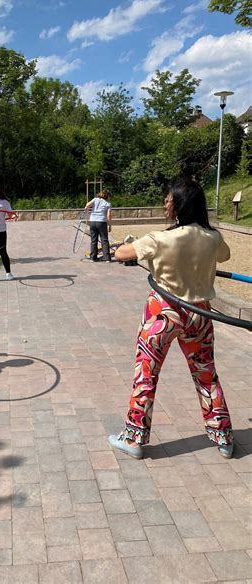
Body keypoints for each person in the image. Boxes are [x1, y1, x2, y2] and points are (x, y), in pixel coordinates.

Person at [108, 178, 234, 459]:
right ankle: (223, 437)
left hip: (162, 312)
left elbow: (121, 253)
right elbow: (224, 256)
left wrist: (134, 244)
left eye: (168, 199)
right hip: (199, 313)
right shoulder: (212, 237)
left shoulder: (160, 238)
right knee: (206, 374)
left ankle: (134, 438)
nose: (165, 203)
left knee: (146, 374)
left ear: (180, 204)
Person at [85, 190, 112, 262]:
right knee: (104, 240)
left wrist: (87, 208)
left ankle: (93, 257)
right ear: (107, 196)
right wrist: (109, 225)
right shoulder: (108, 204)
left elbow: (87, 205)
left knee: (93, 240)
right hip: (101, 222)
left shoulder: (95, 199)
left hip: (93, 221)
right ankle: (107, 258)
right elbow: (108, 215)